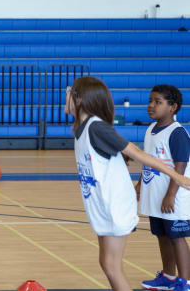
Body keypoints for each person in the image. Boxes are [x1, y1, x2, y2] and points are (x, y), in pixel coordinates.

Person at [65, 77, 190, 291]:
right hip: (102, 206)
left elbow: (139, 154)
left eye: (70, 93)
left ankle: (184, 281)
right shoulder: (82, 128)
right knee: (107, 264)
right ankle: (168, 277)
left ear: (80, 100)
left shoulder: (96, 128)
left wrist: (177, 177)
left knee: (112, 267)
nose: (65, 96)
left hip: (115, 207)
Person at [136, 85, 190, 291]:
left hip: (173, 198)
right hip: (155, 195)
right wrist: (140, 184)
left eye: (158, 102)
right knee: (162, 236)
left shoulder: (177, 133)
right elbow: (149, 160)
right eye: (150, 101)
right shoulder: (151, 129)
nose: (151, 105)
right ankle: (168, 277)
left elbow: (181, 167)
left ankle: (186, 282)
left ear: (172, 107)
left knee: (177, 238)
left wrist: (170, 195)